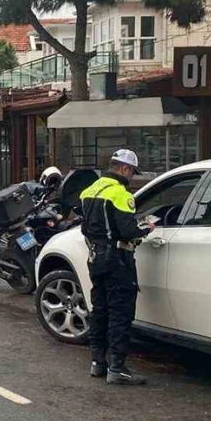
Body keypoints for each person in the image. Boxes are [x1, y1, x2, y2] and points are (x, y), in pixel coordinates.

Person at [79, 149, 154, 386]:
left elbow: (84, 228)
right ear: (124, 169)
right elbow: (128, 231)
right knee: (120, 312)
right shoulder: (120, 194)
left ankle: (97, 362)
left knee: (99, 309)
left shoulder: (89, 191)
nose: (131, 177)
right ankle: (117, 367)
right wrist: (147, 228)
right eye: (132, 172)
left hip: (95, 257)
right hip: (117, 259)